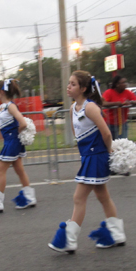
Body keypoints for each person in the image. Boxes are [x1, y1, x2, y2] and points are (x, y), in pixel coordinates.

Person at [48, 71, 125, 253]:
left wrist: (108, 152)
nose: (68, 86)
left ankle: (69, 240)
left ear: (83, 88)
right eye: (69, 83)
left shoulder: (90, 107)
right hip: (88, 158)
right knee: (102, 196)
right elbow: (79, 136)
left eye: (73, 84)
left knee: (79, 198)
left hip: (97, 157)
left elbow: (106, 133)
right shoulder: (72, 108)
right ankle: (117, 234)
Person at [0, 79, 36, 213]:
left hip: (12, 142)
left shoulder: (10, 106)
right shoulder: (3, 106)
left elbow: (22, 123)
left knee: (0, 171)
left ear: (1, 92)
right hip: (10, 142)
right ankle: (29, 198)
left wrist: (15, 134)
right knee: (19, 170)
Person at [102, 75, 136, 140]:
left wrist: (130, 102)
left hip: (122, 123)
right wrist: (116, 103)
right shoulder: (109, 92)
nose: (125, 84)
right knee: (110, 143)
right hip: (109, 123)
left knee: (122, 142)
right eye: (123, 83)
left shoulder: (127, 92)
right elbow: (103, 103)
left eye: (125, 82)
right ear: (117, 84)